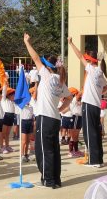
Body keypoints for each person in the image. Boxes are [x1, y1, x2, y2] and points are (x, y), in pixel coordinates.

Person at [24, 33, 72, 188]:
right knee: (53, 149)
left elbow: (36, 58)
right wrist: (61, 108)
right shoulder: (60, 80)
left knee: (43, 150)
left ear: (47, 66)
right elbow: (70, 97)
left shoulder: (46, 75)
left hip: (45, 117)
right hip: (55, 118)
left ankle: (49, 180)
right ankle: (55, 180)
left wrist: (27, 42)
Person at [68, 37, 107, 167]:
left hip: (89, 104)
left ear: (89, 60)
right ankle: (99, 159)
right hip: (96, 106)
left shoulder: (91, 69)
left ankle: (94, 161)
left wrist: (71, 43)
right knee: (95, 132)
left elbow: (79, 56)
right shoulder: (100, 72)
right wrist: (99, 93)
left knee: (89, 133)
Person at [0, 80, 15, 154]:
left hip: (11, 116)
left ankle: (7, 146)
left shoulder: (12, 102)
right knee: (3, 133)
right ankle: (2, 147)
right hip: (6, 116)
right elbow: (4, 92)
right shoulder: (4, 99)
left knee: (7, 133)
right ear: (9, 95)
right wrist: (5, 84)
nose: (14, 96)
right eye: (12, 95)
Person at [69, 89, 84, 157]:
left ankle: (76, 150)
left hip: (79, 117)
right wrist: (84, 87)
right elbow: (79, 94)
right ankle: (71, 151)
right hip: (75, 117)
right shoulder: (74, 99)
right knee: (73, 135)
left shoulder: (79, 100)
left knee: (76, 136)